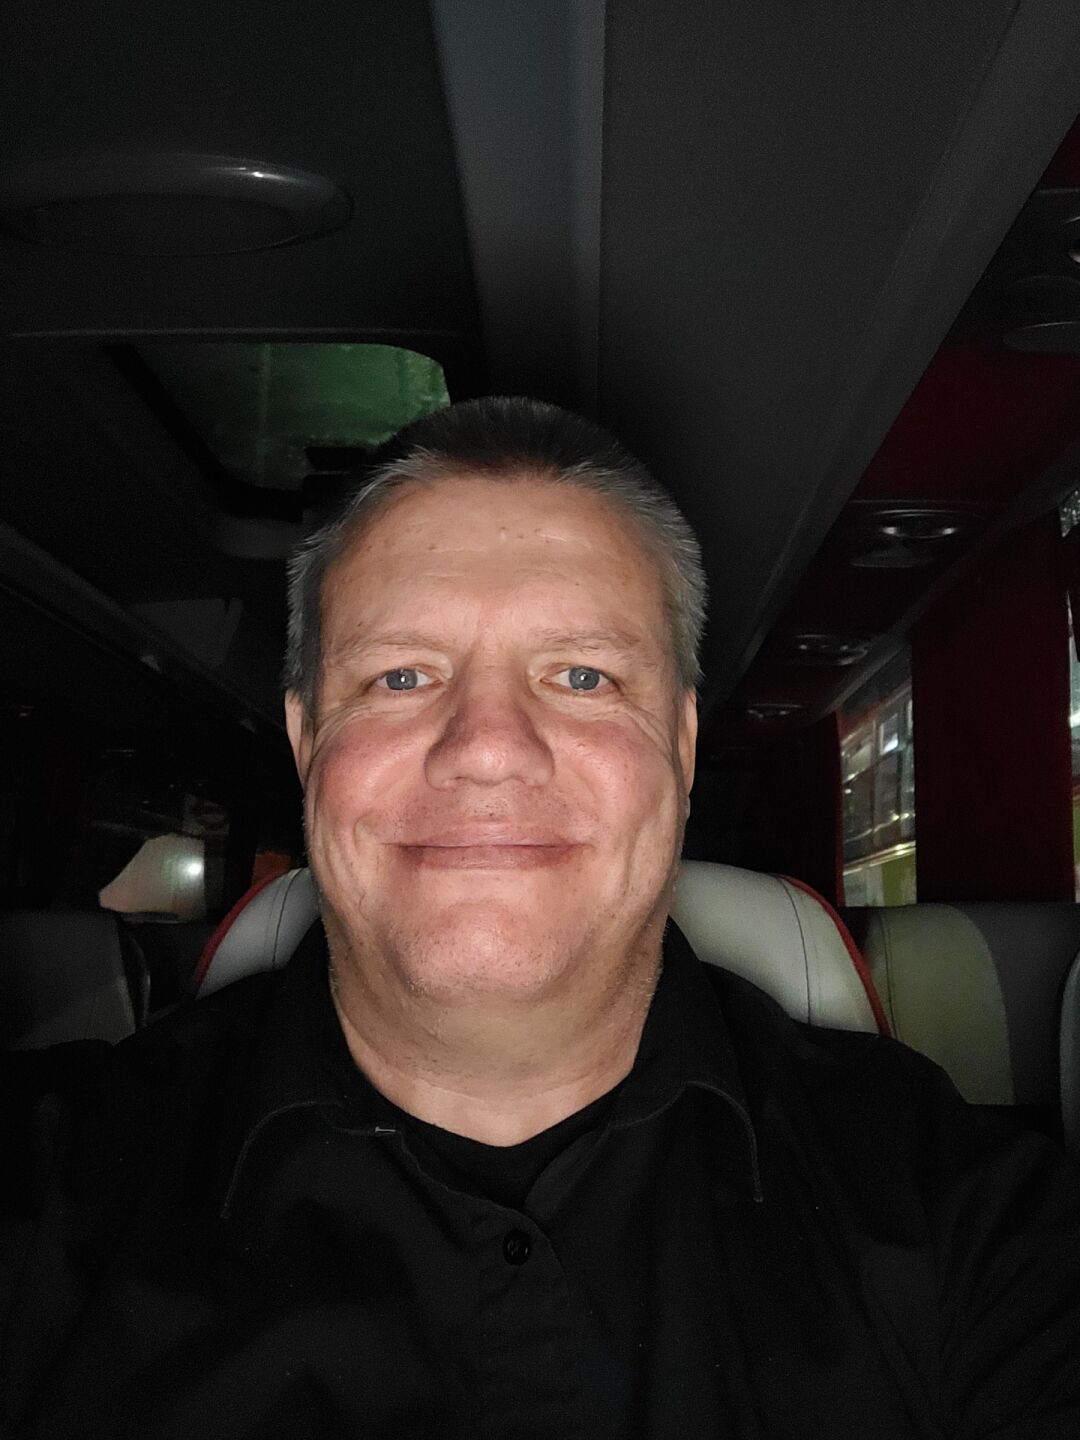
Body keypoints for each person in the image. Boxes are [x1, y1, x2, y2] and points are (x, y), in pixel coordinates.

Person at [2, 397, 1079, 1439]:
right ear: (306, 741)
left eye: (580, 675)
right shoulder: (49, 1191)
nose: (487, 747)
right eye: (401, 675)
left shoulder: (972, 1215)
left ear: (682, 747)